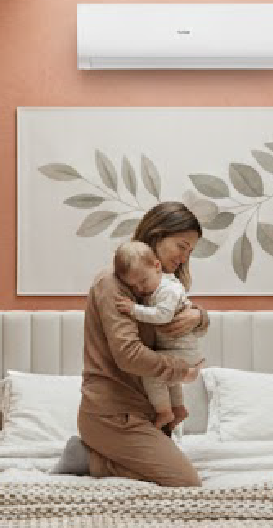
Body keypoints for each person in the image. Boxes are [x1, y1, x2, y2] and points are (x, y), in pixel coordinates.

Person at [54, 202, 209, 485]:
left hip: (146, 412)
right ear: (158, 236)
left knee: (173, 475)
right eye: (181, 246)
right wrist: (180, 371)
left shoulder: (157, 290)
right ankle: (90, 458)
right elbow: (129, 356)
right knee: (186, 482)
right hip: (113, 414)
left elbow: (180, 318)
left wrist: (199, 317)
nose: (185, 257)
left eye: (191, 251)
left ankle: (97, 455)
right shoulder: (111, 285)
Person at [111, 240, 201, 433]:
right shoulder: (156, 286)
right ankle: (178, 408)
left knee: (152, 374)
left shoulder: (168, 290)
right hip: (175, 350)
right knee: (169, 377)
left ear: (157, 266)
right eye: (134, 286)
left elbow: (163, 315)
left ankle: (164, 412)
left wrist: (134, 309)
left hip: (183, 351)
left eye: (143, 281)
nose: (140, 289)